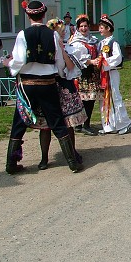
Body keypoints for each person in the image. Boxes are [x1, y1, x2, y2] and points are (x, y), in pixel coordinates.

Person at [2, 0, 81, 174]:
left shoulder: (23, 34)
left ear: (28, 15)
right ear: (44, 15)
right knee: (57, 121)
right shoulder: (52, 35)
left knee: (19, 122)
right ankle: (72, 162)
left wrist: (9, 63)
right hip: (47, 83)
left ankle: (11, 164)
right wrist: (60, 74)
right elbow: (59, 61)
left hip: (28, 85)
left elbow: (20, 60)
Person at [32, 18, 87, 170]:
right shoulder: (43, 49)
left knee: (68, 123)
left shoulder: (68, 48)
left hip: (64, 87)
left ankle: (72, 153)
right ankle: (44, 158)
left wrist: (62, 50)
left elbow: (70, 68)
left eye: (63, 33)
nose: (62, 35)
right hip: (47, 87)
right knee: (46, 126)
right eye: (60, 33)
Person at [97, 14, 131, 134]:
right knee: (104, 99)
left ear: (108, 28)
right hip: (103, 74)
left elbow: (118, 58)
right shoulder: (101, 43)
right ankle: (109, 125)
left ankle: (124, 122)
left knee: (115, 97)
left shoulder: (113, 42)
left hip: (111, 73)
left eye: (102, 27)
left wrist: (105, 63)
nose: (99, 30)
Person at [68, 15, 100, 136]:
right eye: (81, 26)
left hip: (91, 73)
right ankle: (80, 124)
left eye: (85, 26)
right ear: (77, 28)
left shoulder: (92, 39)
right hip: (81, 74)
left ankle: (85, 124)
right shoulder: (76, 42)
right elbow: (77, 57)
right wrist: (91, 61)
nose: (84, 28)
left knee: (90, 100)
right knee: (82, 100)